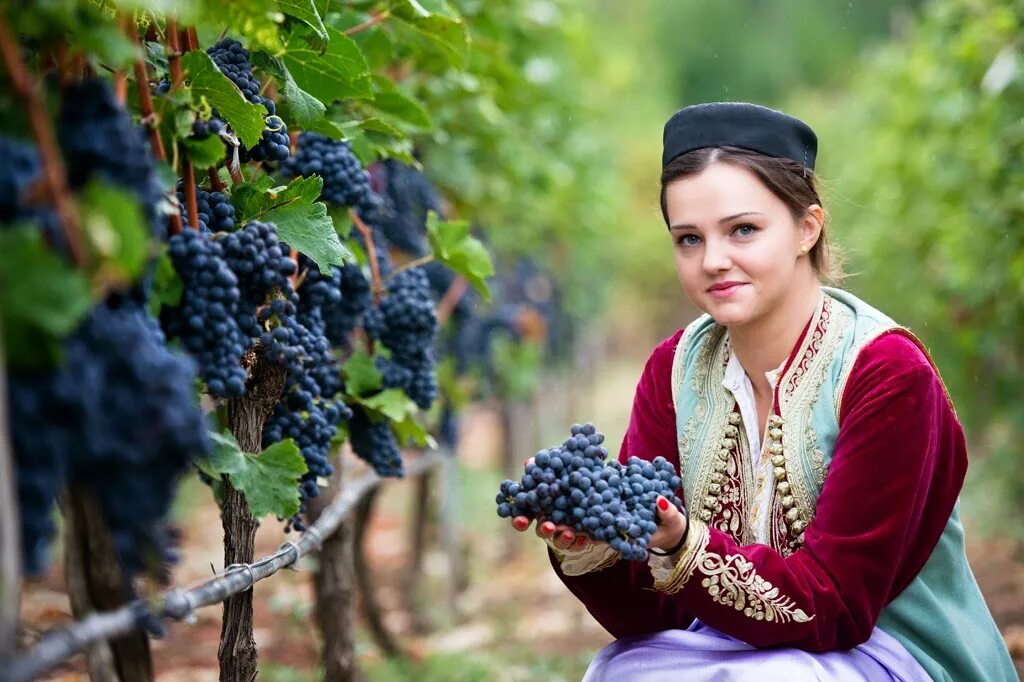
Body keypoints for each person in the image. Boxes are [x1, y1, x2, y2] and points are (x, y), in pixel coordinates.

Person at [510, 102, 1018, 681]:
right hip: (731, 646)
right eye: (688, 239)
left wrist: (683, 547)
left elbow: (838, 605)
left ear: (808, 226)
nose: (714, 261)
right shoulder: (673, 371)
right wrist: (591, 546)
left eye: (743, 229)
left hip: (888, 649)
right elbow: (651, 615)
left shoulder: (885, 374)